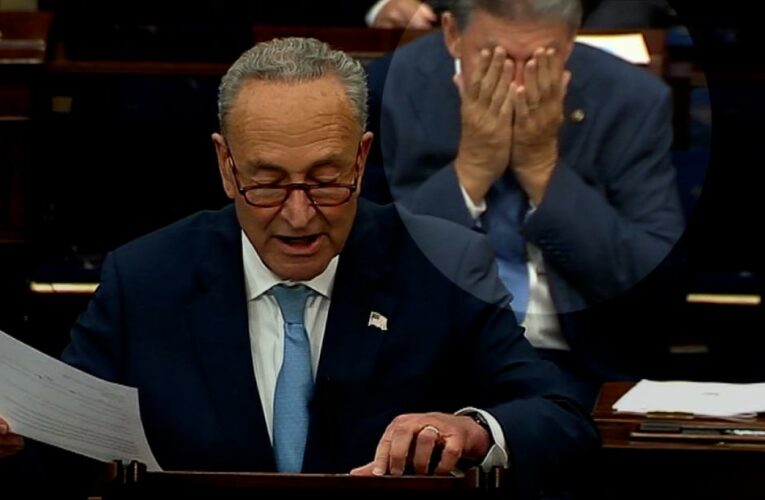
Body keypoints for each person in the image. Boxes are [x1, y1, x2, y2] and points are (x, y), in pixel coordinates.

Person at [0, 37, 598, 498]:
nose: (298, 215)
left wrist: (471, 430)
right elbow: (55, 454)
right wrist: (11, 442)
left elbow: (561, 420)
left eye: (325, 180)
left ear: (361, 160)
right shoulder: (147, 278)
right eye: (266, 183)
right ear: (226, 166)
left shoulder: (440, 264)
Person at [364, 0, 686, 407]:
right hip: (425, 359)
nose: (516, 84)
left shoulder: (631, 100)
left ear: (570, 41)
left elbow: (653, 284)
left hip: (578, 368)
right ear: (452, 34)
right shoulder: (390, 87)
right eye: (494, 59)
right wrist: (473, 169)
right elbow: (369, 263)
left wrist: (542, 168)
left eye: (539, 60)